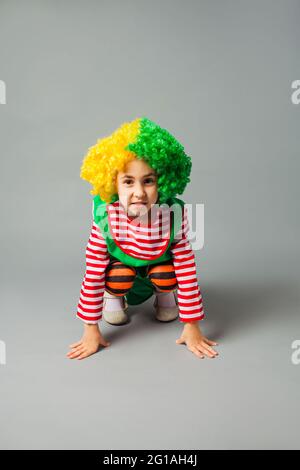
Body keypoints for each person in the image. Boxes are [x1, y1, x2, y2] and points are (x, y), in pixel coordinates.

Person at [67, 117, 219, 360]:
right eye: (128, 181)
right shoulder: (106, 216)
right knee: (118, 277)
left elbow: (186, 267)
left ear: (163, 181)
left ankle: (164, 296)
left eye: (148, 181)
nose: (139, 192)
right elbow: (94, 269)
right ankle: (114, 297)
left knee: (167, 273)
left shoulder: (173, 215)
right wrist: (90, 329)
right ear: (114, 183)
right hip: (122, 272)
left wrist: (192, 325)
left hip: (156, 270)